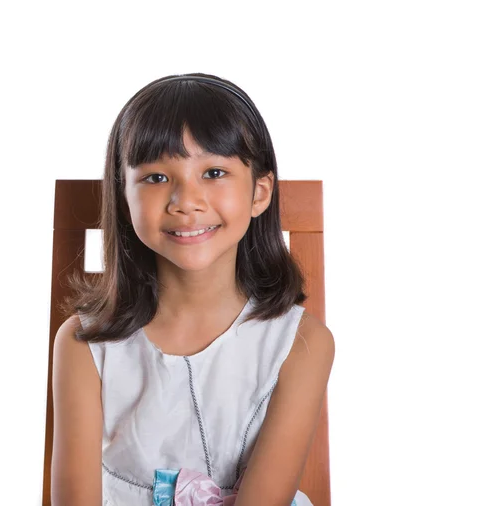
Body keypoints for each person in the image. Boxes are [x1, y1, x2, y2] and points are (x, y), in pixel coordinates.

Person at [50, 73, 335, 506]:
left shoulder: (302, 343)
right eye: (156, 178)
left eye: (214, 172)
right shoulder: (83, 343)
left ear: (259, 193)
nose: (186, 200)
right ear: (123, 198)